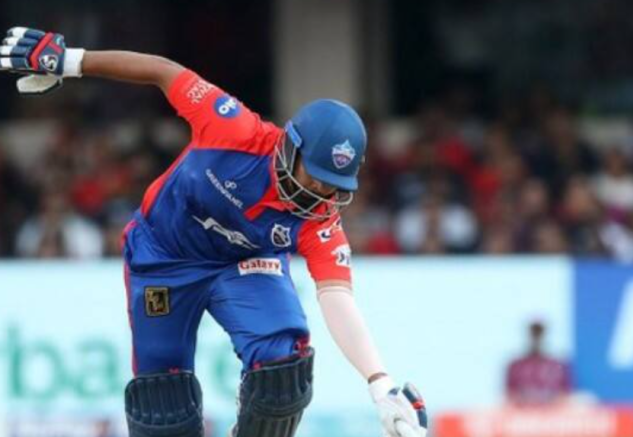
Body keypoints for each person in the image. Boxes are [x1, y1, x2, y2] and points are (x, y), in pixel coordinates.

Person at [0, 27, 427, 437]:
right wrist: (72, 61)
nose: (317, 193)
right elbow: (163, 71)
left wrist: (379, 384)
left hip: (244, 264)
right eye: (313, 177)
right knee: (162, 405)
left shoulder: (319, 219)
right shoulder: (234, 130)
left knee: (283, 373)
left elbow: (337, 298)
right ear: (290, 147)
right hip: (163, 257)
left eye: (331, 186)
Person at [505, 321, 571, 406]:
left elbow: (565, 395)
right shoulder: (515, 366)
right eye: (534, 334)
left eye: (539, 334)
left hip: (552, 412)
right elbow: (510, 395)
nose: (536, 338)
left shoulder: (558, 366)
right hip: (523, 411)